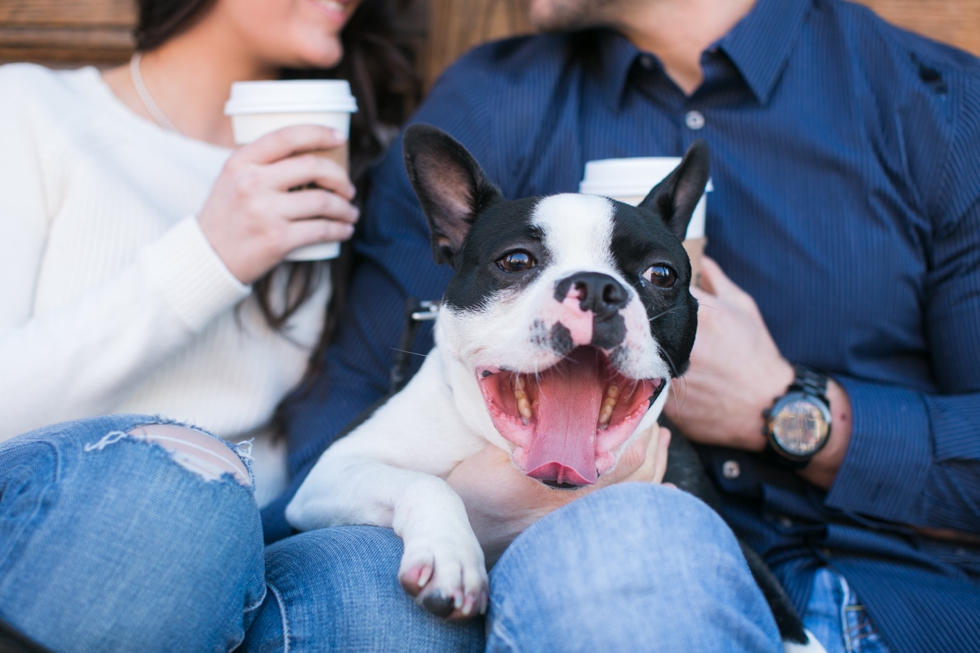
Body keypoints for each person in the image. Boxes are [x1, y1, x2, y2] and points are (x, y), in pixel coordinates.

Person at [270, 0, 980, 651]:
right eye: (521, 260)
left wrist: (793, 411)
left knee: (623, 555)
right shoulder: (489, 102)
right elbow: (345, 412)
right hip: (538, 583)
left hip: (894, 604)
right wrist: (458, 504)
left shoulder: (938, 104)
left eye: (654, 278)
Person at [0, 0, 472, 649]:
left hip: (254, 540)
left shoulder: (353, 155)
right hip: (78, 515)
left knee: (389, 595)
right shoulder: (28, 109)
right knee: (180, 500)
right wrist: (211, 254)